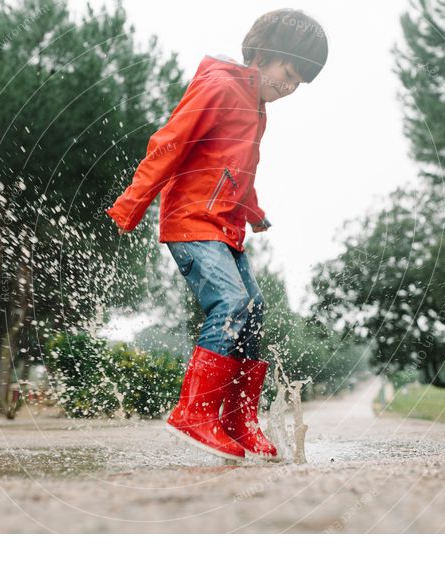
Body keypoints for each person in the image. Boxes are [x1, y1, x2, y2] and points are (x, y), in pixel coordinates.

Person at [106, 9, 328, 461]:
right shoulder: (220, 85)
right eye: (288, 74)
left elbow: (237, 170)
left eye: (298, 84)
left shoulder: (258, 109)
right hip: (191, 221)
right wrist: (133, 201)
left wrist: (253, 211)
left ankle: (238, 421)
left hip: (226, 227)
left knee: (255, 310)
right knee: (230, 304)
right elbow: (169, 143)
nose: (289, 87)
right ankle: (194, 413)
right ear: (263, 55)